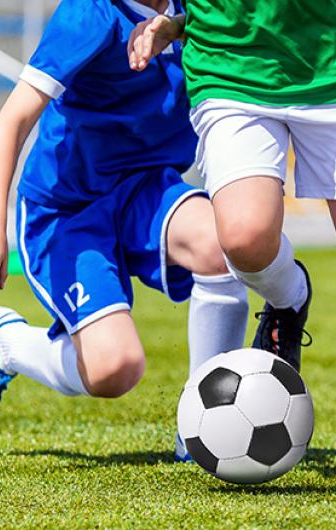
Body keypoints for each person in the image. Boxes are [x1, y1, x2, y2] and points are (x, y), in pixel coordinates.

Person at [0, 0, 249, 458]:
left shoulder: (202, 8)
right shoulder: (89, 13)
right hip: (69, 207)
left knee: (222, 245)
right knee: (116, 369)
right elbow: (13, 120)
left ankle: (203, 427)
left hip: (146, 187)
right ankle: (4, 343)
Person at [126, 0, 331, 372]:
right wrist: (180, 23)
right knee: (243, 239)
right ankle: (289, 299)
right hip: (230, 64)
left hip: (328, 62)